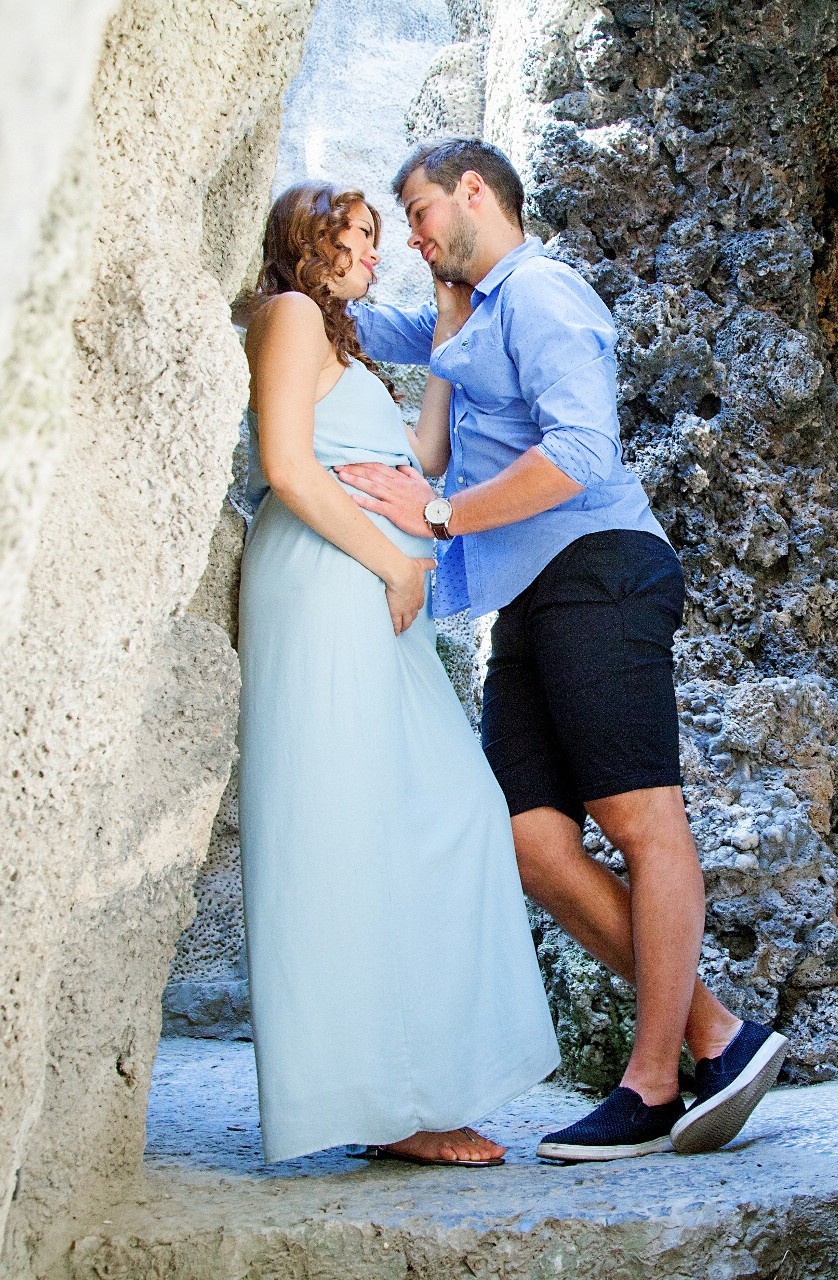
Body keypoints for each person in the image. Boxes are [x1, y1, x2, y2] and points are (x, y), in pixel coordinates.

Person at [338, 137, 789, 1162]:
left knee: (639, 818)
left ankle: (654, 1081)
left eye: (416, 213)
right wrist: (275, 289)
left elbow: (582, 450)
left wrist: (439, 511)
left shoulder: (540, 292)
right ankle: (718, 1034)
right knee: (529, 839)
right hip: (525, 594)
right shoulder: (469, 312)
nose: (409, 238)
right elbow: (360, 324)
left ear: (472, 191)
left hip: (600, 568)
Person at [238, 180, 559, 1167]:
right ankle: (386, 1104)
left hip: (375, 594)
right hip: (330, 584)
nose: (373, 253)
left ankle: (410, 1084)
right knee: (345, 832)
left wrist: (450, 336)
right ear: (307, 238)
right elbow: (287, 465)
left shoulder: (342, 347)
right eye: (356, 234)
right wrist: (393, 563)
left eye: (380, 235)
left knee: (455, 810)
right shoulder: (289, 314)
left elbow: (421, 456)